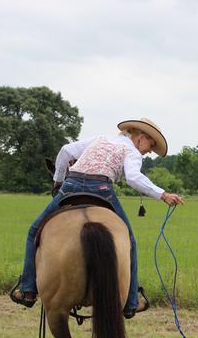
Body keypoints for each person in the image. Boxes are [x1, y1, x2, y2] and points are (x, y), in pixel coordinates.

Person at [9, 117, 183, 317]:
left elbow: (65, 151)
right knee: (130, 241)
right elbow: (133, 177)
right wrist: (163, 194)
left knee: (34, 231)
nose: (149, 151)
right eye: (151, 145)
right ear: (141, 137)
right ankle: (131, 302)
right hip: (101, 189)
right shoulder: (132, 152)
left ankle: (28, 290)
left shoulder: (100, 139)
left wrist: (58, 182)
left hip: (71, 185)